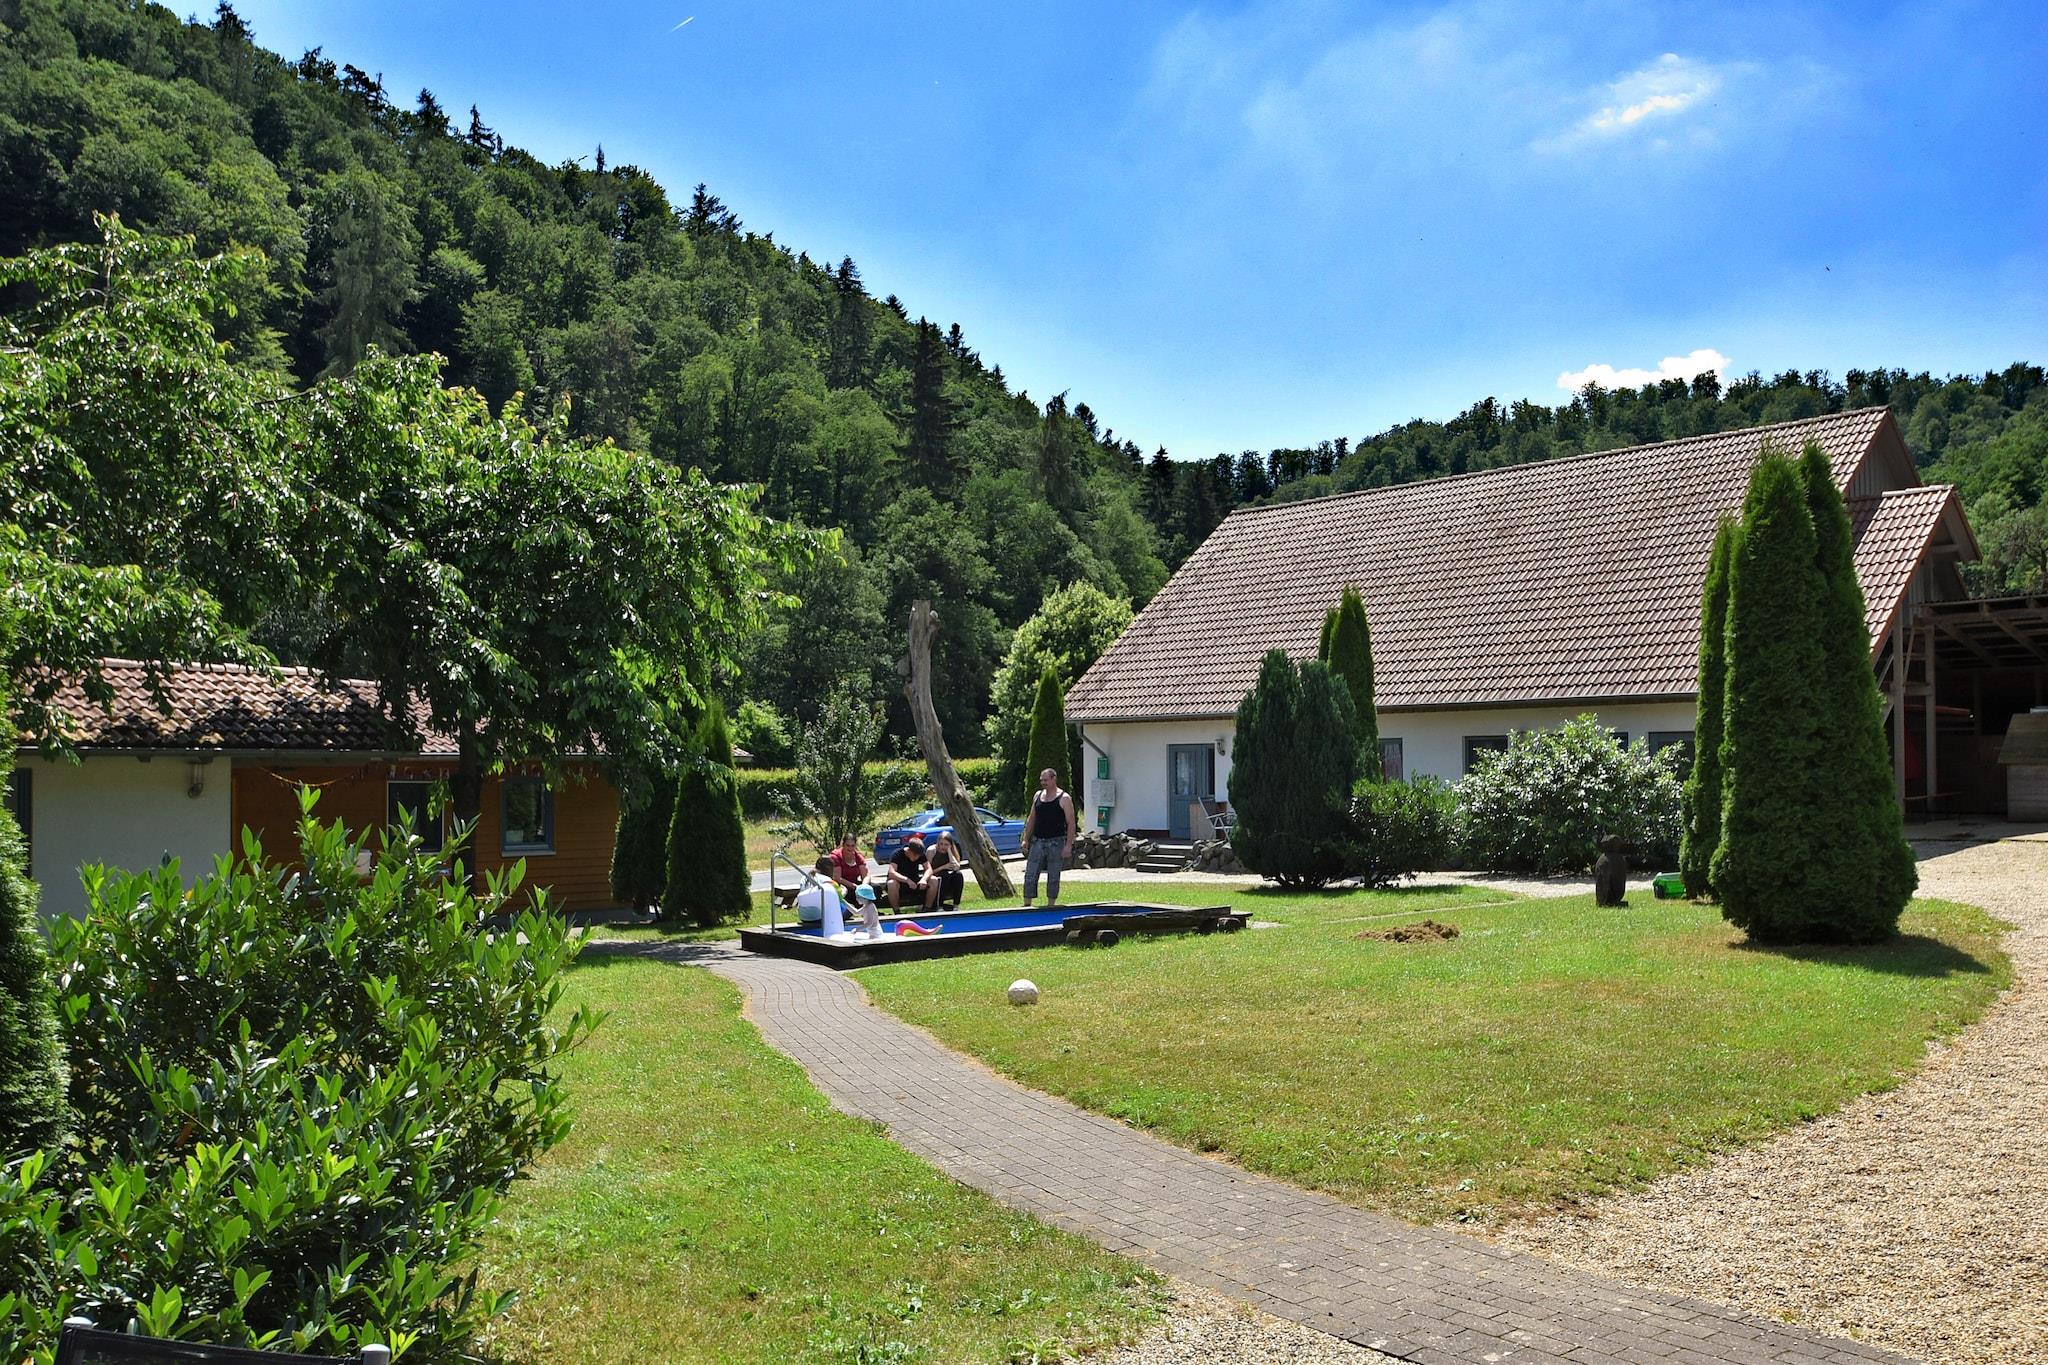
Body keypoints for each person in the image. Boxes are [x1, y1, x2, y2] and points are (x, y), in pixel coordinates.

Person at [1021, 768, 1075, 909]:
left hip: (1056, 842)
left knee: (1053, 876)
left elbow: (1071, 823)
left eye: (1045, 780)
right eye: (1041, 780)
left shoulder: (1064, 798)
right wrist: (1026, 838)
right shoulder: (1038, 796)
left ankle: (1051, 905)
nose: (1043, 783)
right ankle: (1027, 905)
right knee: (1030, 873)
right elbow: (1031, 819)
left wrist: (1068, 845)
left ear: (1053, 779)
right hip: (1038, 841)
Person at [886, 834, 929, 910]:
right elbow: (891, 873)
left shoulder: (920, 854)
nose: (916, 857)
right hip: (900, 884)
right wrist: (907, 880)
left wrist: (924, 879)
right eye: (915, 855)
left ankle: (927, 908)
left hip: (915, 883)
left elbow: (929, 869)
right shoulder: (897, 854)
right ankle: (897, 911)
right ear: (909, 850)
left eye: (918, 855)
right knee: (891, 883)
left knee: (933, 880)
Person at [925, 831, 965, 910]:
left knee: (958, 875)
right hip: (934, 877)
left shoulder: (951, 850)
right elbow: (927, 872)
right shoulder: (931, 850)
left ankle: (956, 905)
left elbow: (956, 867)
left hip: (947, 878)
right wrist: (943, 867)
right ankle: (939, 906)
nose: (943, 847)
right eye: (941, 844)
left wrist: (949, 851)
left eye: (946, 844)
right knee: (944, 875)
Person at [827, 834, 868, 899]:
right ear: (843, 845)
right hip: (840, 885)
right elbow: (838, 878)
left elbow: (866, 876)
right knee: (850, 893)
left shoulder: (858, 856)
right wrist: (855, 887)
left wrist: (864, 886)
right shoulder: (835, 856)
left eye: (852, 845)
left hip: (855, 884)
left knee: (875, 888)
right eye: (848, 845)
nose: (850, 848)